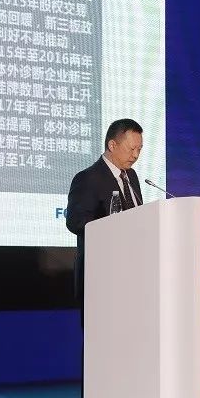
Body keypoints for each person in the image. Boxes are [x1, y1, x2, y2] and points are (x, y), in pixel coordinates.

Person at [66, 118, 144, 318]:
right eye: (131, 149)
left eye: (140, 149)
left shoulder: (132, 177)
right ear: (112, 145)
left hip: (134, 276)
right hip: (101, 278)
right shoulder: (88, 178)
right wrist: (112, 228)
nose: (136, 155)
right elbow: (75, 221)